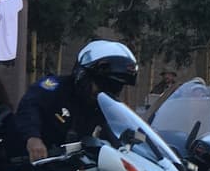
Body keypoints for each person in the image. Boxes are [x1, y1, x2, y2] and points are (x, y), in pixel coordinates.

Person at [9, 40, 139, 164]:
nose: (106, 92)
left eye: (114, 88)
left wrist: (139, 140)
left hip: (68, 168)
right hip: (28, 163)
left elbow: (115, 129)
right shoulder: (55, 87)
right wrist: (33, 138)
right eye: (104, 84)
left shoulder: (98, 107)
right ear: (83, 76)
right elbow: (30, 106)